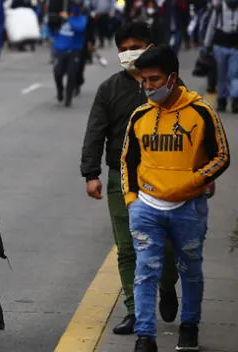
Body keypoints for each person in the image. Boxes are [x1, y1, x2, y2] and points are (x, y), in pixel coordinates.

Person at [121, 44, 230, 352]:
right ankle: (145, 336)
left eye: (153, 79)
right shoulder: (140, 116)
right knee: (145, 272)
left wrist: (194, 182)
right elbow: (127, 161)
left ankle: (189, 327)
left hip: (189, 209)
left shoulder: (201, 112)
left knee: (190, 271)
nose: (147, 86)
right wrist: (132, 201)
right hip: (147, 209)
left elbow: (222, 156)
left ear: (172, 78)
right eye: (144, 80)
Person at [81, 22, 181, 336]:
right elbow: (95, 132)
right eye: (122, 49)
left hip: (164, 178)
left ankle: (167, 285)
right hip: (120, 180)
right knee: (127, 248)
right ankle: (135, 311)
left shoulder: (170, 87)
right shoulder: (110, 88)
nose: (128, 54)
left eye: (134, 46)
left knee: (163, 247)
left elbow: (192, 128)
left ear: (150, 47)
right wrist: (91, 174)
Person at [204, 0, 238, 113]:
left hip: (234, 47)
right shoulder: (219, 8)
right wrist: (207, 45)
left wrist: (207, 45)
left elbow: (211, 27)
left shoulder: (219, 7)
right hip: (220, 46)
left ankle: (234, 99)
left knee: (233, 74)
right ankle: (224, 99)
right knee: (223, 75)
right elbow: (211, 26)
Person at [51, 0, 87, 107]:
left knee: (71, 74)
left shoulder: (81, 19)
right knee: (57, 72)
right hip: (61, 50)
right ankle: (60, 90)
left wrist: (68, 18)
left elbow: (80, 28)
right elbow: (52, 29)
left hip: (74, 51)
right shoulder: (61, 19)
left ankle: (68, 97)